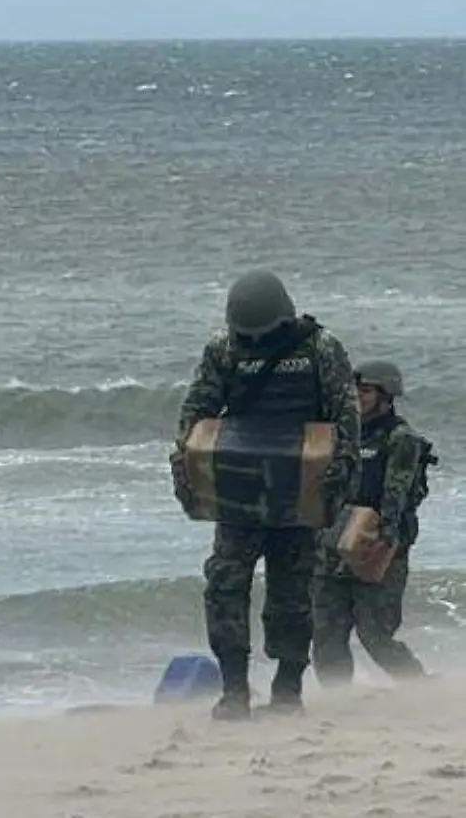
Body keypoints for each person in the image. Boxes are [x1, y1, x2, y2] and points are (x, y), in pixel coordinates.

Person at [171, 269, 360, 720]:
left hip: (301, 488)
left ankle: (288, 687)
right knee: (225, 584)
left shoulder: (320, 347)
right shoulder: (224, 349)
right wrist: (185, 467)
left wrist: (341, 474)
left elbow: (345, 414)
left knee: (292, 591)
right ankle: (234, 688)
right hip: (238, 490)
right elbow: (197, 412)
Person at [311, 359, 433, 685]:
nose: (357, 396)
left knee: (375, 634)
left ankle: (420, 689)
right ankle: (338, 699)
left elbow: (398, 493)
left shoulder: (400, 438)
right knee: (326, 633)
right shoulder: (343, 435)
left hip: (376, 544)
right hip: (333, 543)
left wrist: (386, 537)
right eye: (354, 390)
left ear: (386, 395)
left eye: (365, 391)